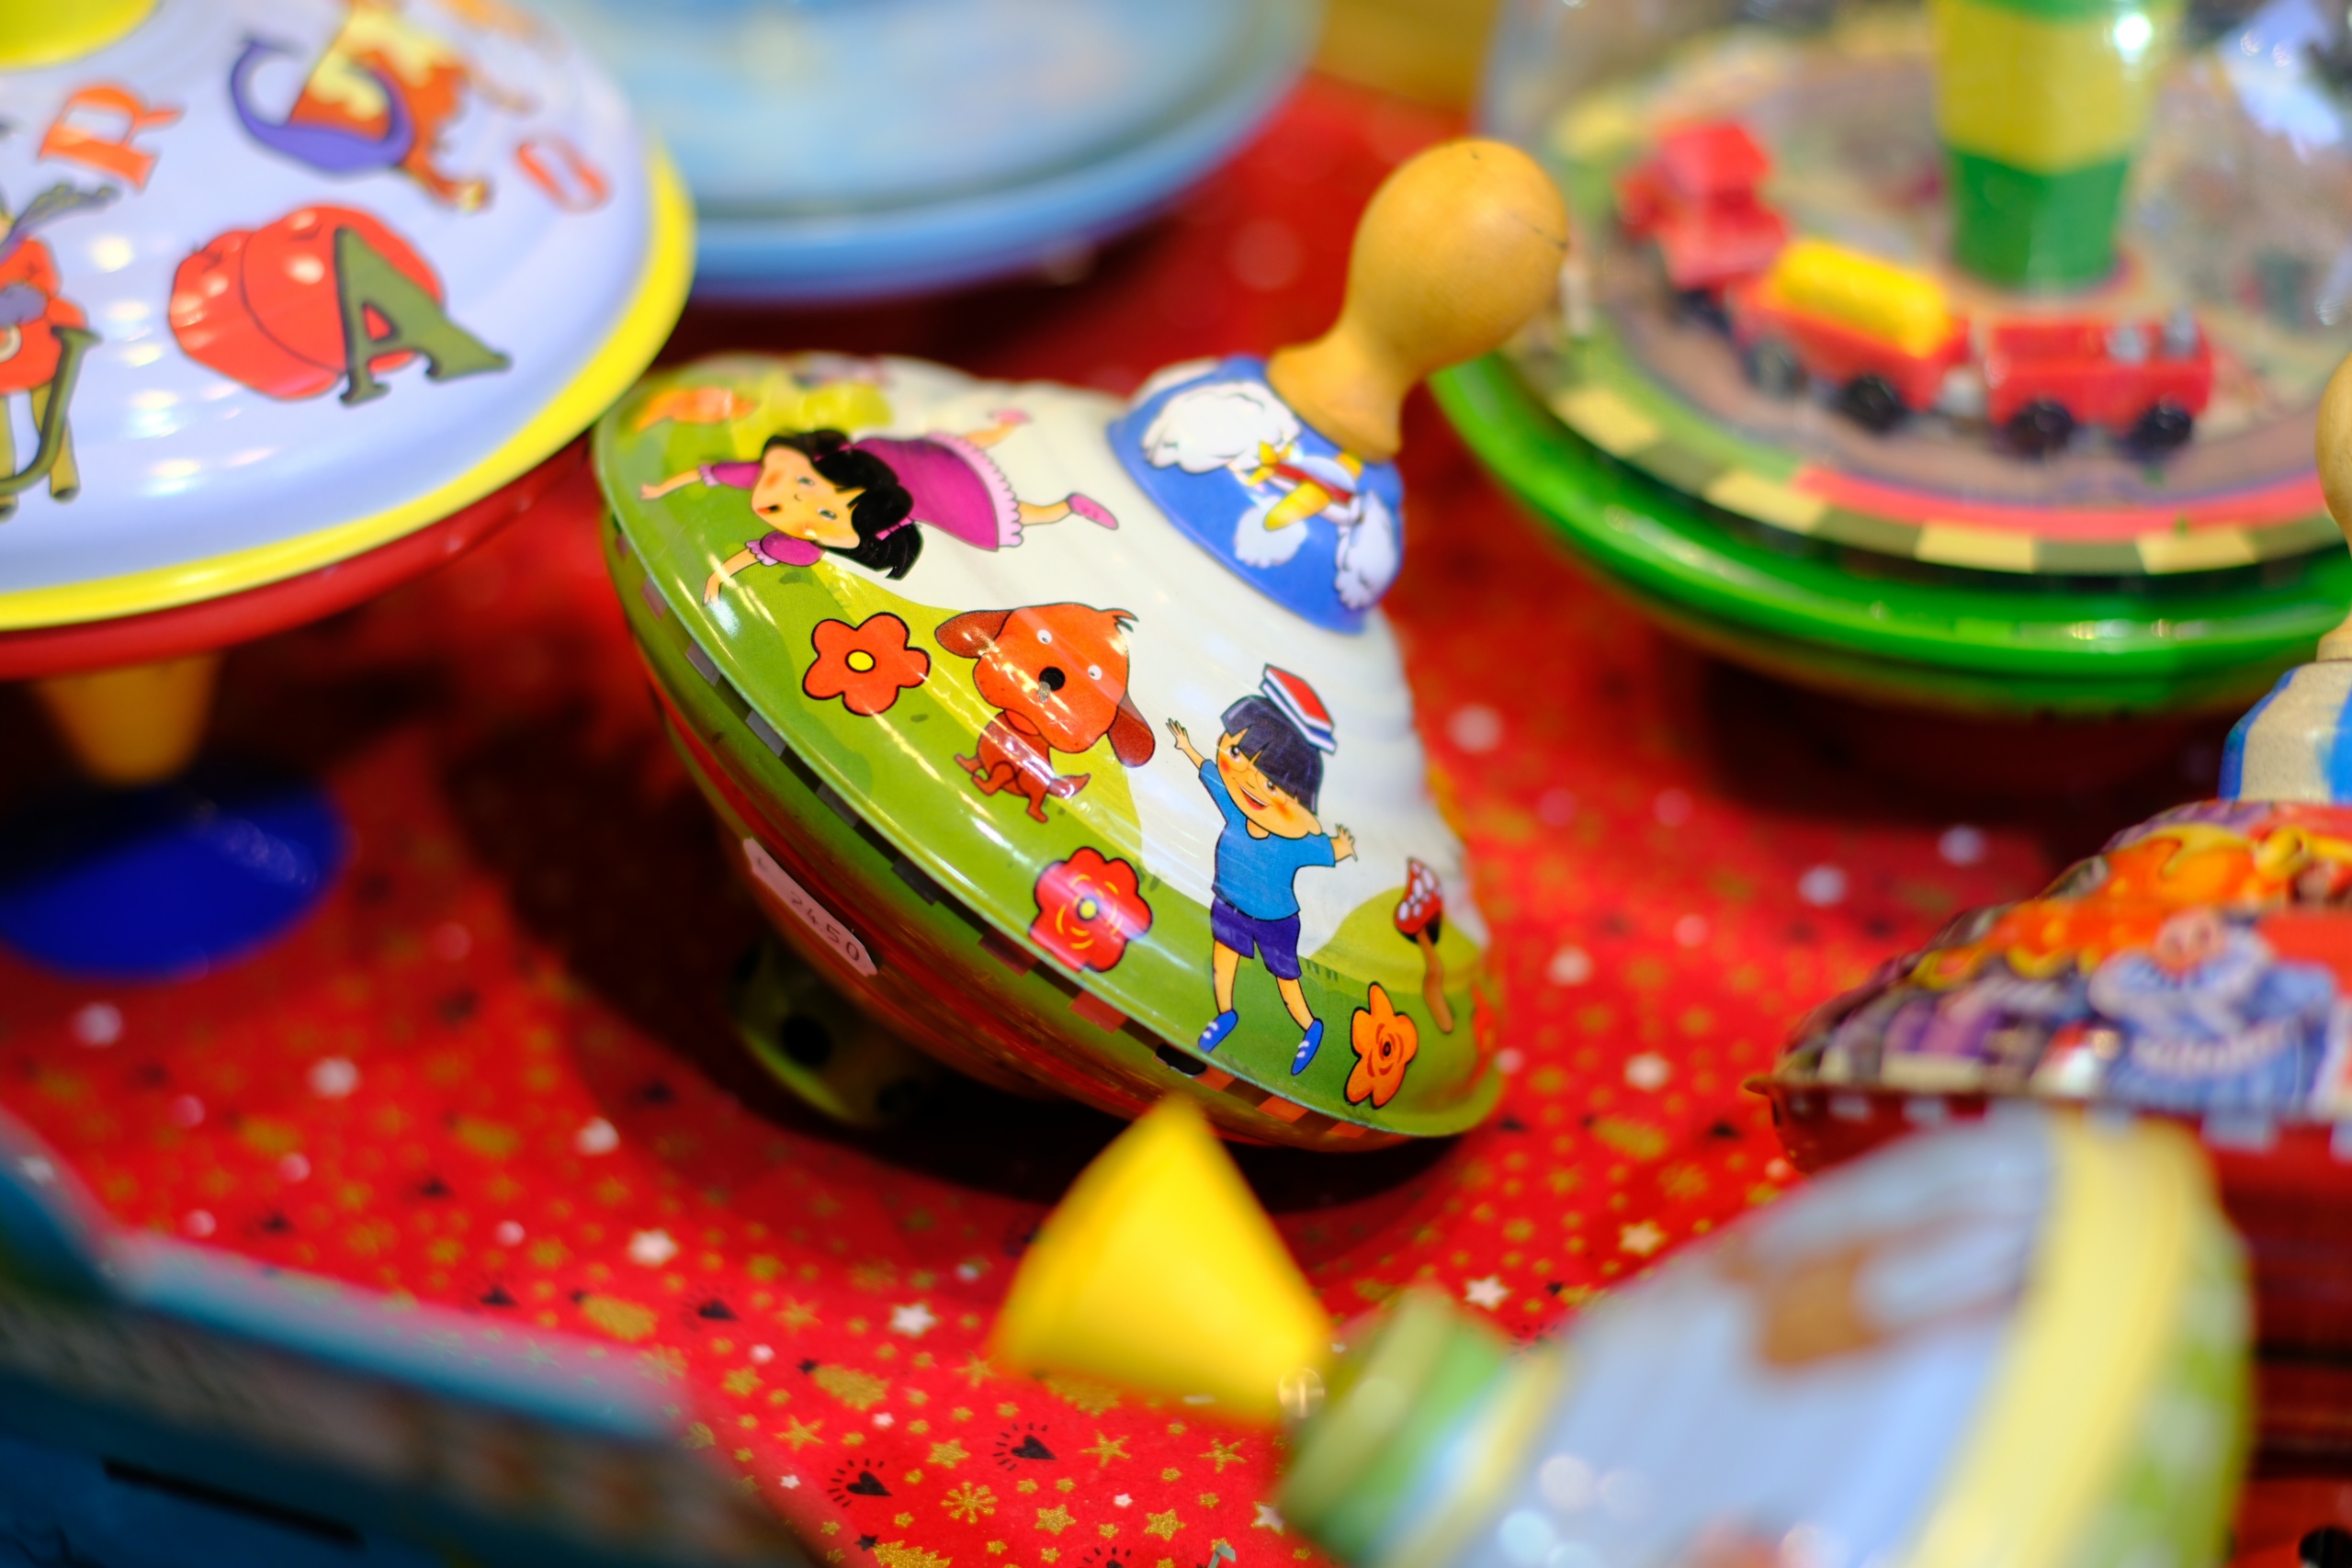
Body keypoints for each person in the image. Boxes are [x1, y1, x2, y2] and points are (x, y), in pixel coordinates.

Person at [633, 416, 1116, 596]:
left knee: (963, 447)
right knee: (1004, 513)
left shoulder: (854, 473)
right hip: (929, 495)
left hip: (907, 467)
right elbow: (709, 480)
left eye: (807, 485)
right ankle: (1063, 507)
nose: (800, 498)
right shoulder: (780, 493)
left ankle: (1012, 435)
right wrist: (717, 577)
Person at [1168, 668, 1355, 1075]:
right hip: (1231, 902)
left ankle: (1309, 1026)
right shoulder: (1235, 810)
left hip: (1276, 920)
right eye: (1238, 755)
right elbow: (1211, 773)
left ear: (1305, 812)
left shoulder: (1297, 843)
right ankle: (1224, 1013)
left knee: (1285, 978)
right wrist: (1186, 747)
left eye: (1273, 787)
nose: (1251, 784)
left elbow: (1329, 849)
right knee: (1224, 955)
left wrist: (1345, 845)